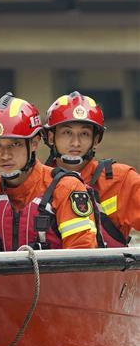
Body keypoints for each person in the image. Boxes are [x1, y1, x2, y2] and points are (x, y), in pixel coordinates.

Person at [0, 93, 100, 253]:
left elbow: (82, 259)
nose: (4, 155)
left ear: (34, 143)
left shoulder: (66, 189)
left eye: (15, 144)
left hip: (53, 279)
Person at [43, 91, 139, 246]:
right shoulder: (36, 181)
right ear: (51, 137)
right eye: (67, 133)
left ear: (96, 140)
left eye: (84, 134)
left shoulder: (122, 179)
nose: (75, 143)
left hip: (109, 270)